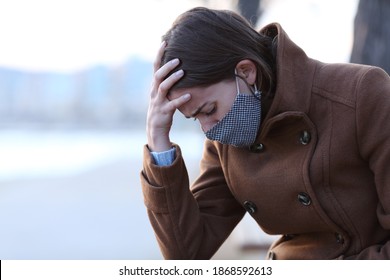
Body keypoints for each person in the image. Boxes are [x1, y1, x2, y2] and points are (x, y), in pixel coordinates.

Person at [140, 7, 390, 259]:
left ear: (246, 71)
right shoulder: (227, 139)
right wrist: (158, 142)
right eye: (195, 118)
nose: (209, 130)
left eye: (209, 109)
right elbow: (186, 254)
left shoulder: (360, 94)